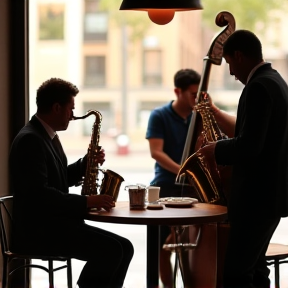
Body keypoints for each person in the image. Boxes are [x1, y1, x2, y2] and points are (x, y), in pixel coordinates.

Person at [9, 78, 134, 288]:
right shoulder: (30, 140)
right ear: (57, 107)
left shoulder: (46, 136)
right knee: (113, 250)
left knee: (125, 247)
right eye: (70, 109)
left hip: (54, 225)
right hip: (39, 231)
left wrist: (86, 163)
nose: (73, 115)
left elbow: (59, 179)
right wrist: (86, 201)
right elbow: (40, 194)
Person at [198, 29, 288, 288]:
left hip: (256, 199)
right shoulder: (275, 81)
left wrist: (215, 149)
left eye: (228, 63)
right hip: (269, 197)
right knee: (256, 270)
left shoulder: (258, 86)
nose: (230, 72)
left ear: (238, 55)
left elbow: (250, 145)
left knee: (236, 274)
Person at [145, 68, 231, 287]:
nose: (197, 97)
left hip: (194, 190)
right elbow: (156, 152)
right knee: (162, 248)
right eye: (193, 94)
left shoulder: (201, 115)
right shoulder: (159, 115)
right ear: (177, 91)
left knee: (193, 242)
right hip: (165, 185)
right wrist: (183, 171)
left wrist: (208, 115)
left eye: (200, 93)